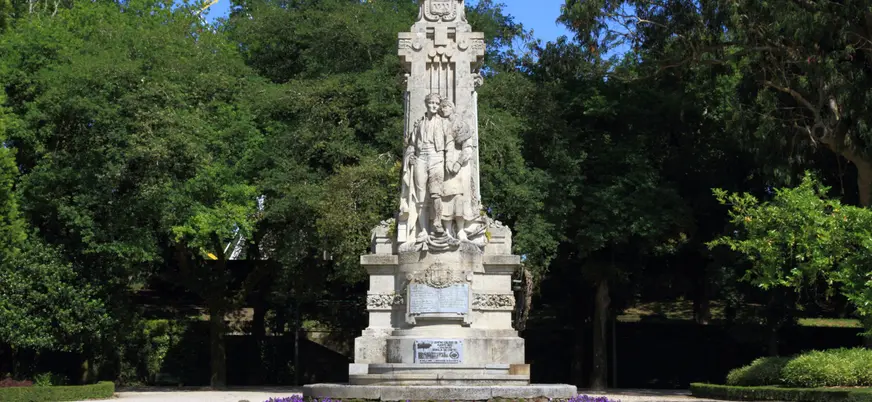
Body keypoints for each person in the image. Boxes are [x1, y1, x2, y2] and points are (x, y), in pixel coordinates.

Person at [407, 93, 447, 241]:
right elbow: (411, 144)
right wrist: (410, 155)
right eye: (431, 103)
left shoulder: (444, 122)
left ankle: (437, 222)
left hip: (437, 157)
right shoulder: (419, 123)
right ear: (426, 104)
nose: (434, 106)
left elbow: (451, 142)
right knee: (420, 195)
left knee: (436, 193)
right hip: (421, 157)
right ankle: (423, 230)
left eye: (437, 103)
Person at [439, 99, 475, 241]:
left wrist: (458, 163)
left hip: (459, 165)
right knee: (444, 197)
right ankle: (447, 231)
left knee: (460, 197)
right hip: (442, 163)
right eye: (442, 107)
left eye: (446, 107)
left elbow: (468, 148)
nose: (443, 109)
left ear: (452, 108)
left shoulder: (461, 125)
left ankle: (460, 230)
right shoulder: (438, 124)